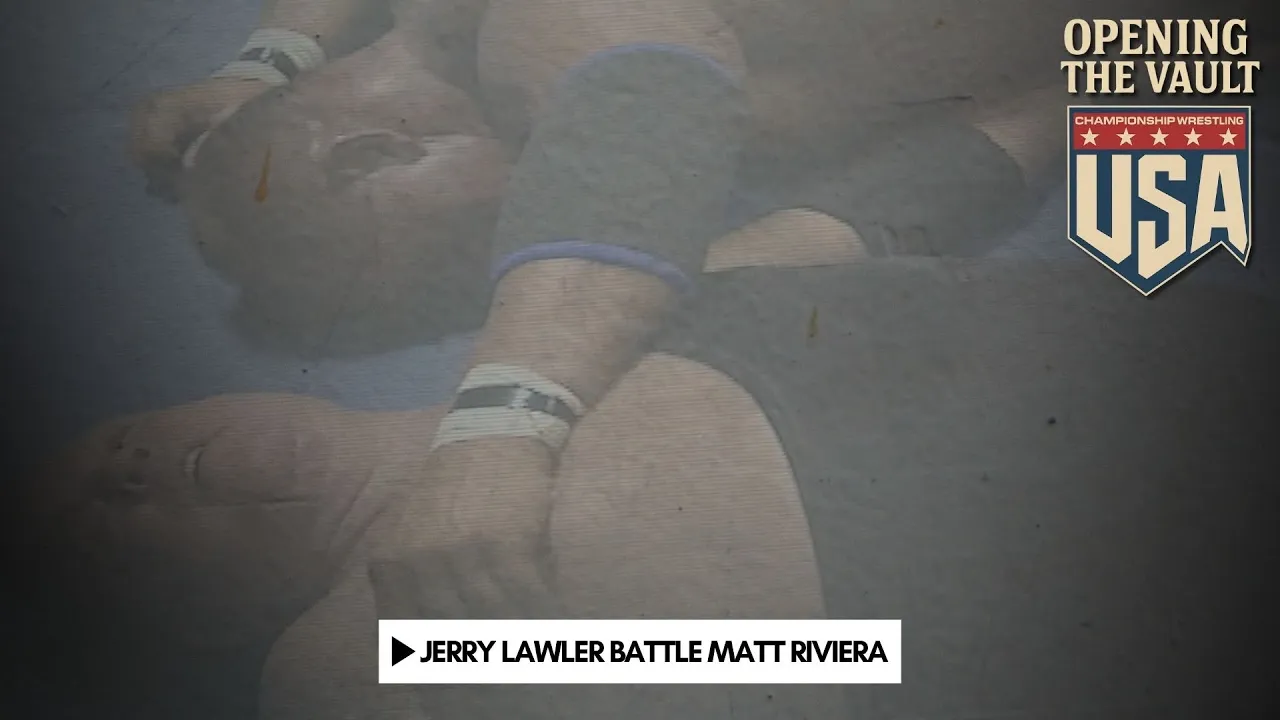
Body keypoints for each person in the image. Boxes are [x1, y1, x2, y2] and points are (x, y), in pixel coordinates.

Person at [40, 0, 1272, 718]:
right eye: (96, 537)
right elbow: (833, 659)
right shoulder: (355, 648)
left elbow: (666, 117)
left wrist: (502, 426)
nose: (123, 472)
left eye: (111, 450)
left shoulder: (580, 302)